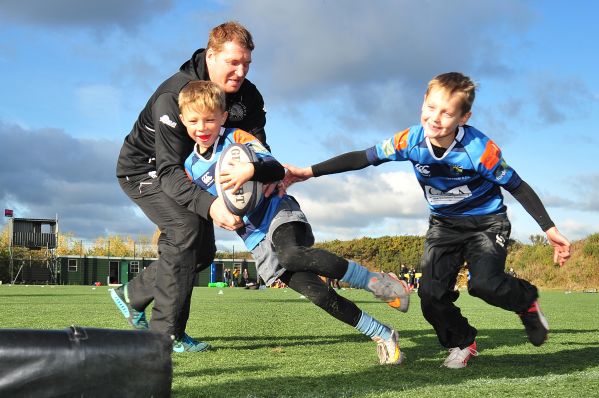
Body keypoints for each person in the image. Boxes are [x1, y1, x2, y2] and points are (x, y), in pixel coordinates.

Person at [283, 72, 571, 368]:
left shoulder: (479, 151)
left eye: (447, 113)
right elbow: (364, 157)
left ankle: (526, 303)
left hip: (485, 222)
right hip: (444, 225)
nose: (435, 118)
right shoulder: (410, 140)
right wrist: (309, 171)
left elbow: (517, 186)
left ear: (464, 117)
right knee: (431, 296)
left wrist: (549, 229)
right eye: (431, 107)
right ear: (423, 102)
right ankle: (462, 341)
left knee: (484, 284)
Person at [180, 80, 411, 364]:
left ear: (223, 117)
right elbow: (209, 204)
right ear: (183, 120)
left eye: (209, 119)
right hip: (254, 238)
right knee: (318, 294)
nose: (202, 127)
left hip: (278, 213)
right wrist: (218, 215)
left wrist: (250, 169)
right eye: (194, 120)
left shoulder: (236, 138)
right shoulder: (190, 166)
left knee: (290, 254)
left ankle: (377, 283)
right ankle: (383, 334)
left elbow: (275, 167)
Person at [110, 21, 266, 353]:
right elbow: (169, 171)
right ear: (211, 55)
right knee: (185, 229)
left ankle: (134, 293)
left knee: (204, 253)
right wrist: (211, 206)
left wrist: (266, 174)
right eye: (233, 63)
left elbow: (256, 145)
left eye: (247, 64)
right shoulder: (173, 96)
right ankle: (165, 335)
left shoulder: (248, 96)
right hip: (145, 170)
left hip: (190, 174)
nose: (241, 72)